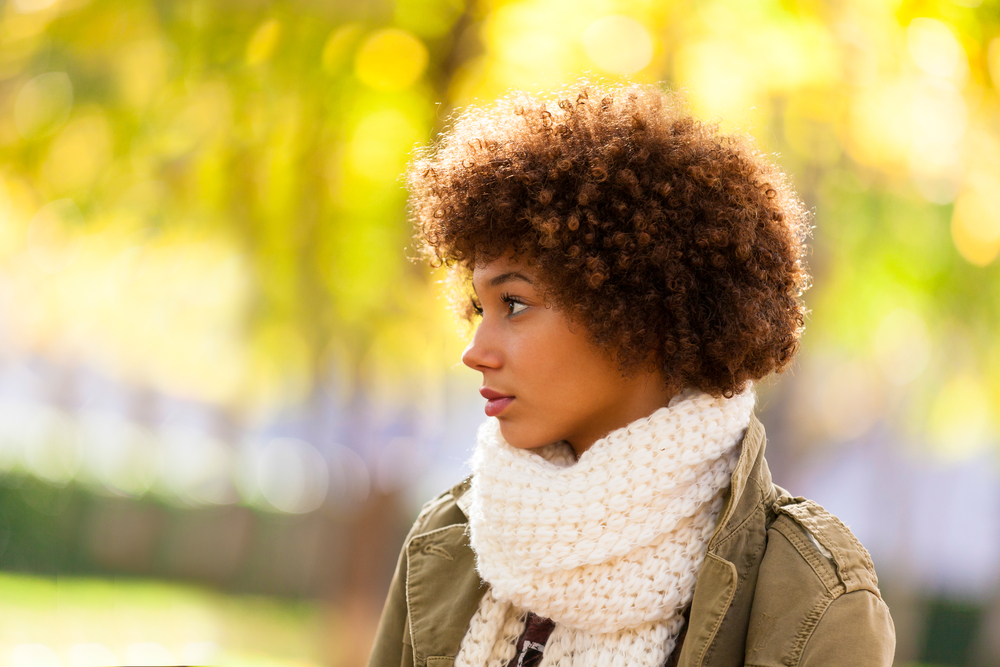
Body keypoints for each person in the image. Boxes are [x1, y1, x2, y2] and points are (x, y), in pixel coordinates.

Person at [367, 82, 895, 667]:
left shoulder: (811, 597)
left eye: (513, 304)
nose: (474, 351)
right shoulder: (447, 541)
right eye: (477, 308)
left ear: (639, 312)